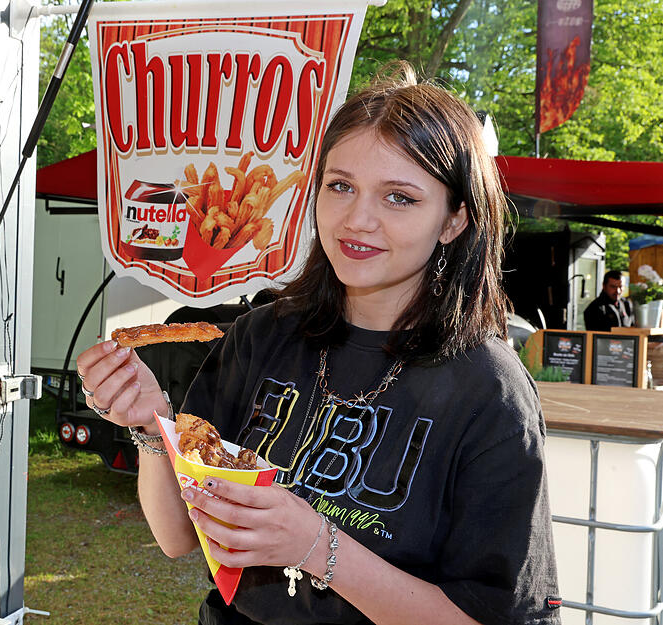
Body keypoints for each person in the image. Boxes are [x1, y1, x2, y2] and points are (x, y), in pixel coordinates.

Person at [77, 61, 561, 625]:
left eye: (399, 197)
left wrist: (317, 546)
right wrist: (152, 423)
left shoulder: (489, 390)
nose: (358, 219)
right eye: (340, 186)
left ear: (453, 220)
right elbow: (177, 534)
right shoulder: (263, 335)